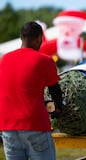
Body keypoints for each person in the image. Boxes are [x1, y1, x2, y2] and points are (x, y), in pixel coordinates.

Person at [0, 21, 62, 160]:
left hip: (8, 128)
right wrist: (59, 108)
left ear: (21, 37)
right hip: (35, 124)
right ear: (39, 39)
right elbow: (55, 90)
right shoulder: (45, 60)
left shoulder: (4, 59)